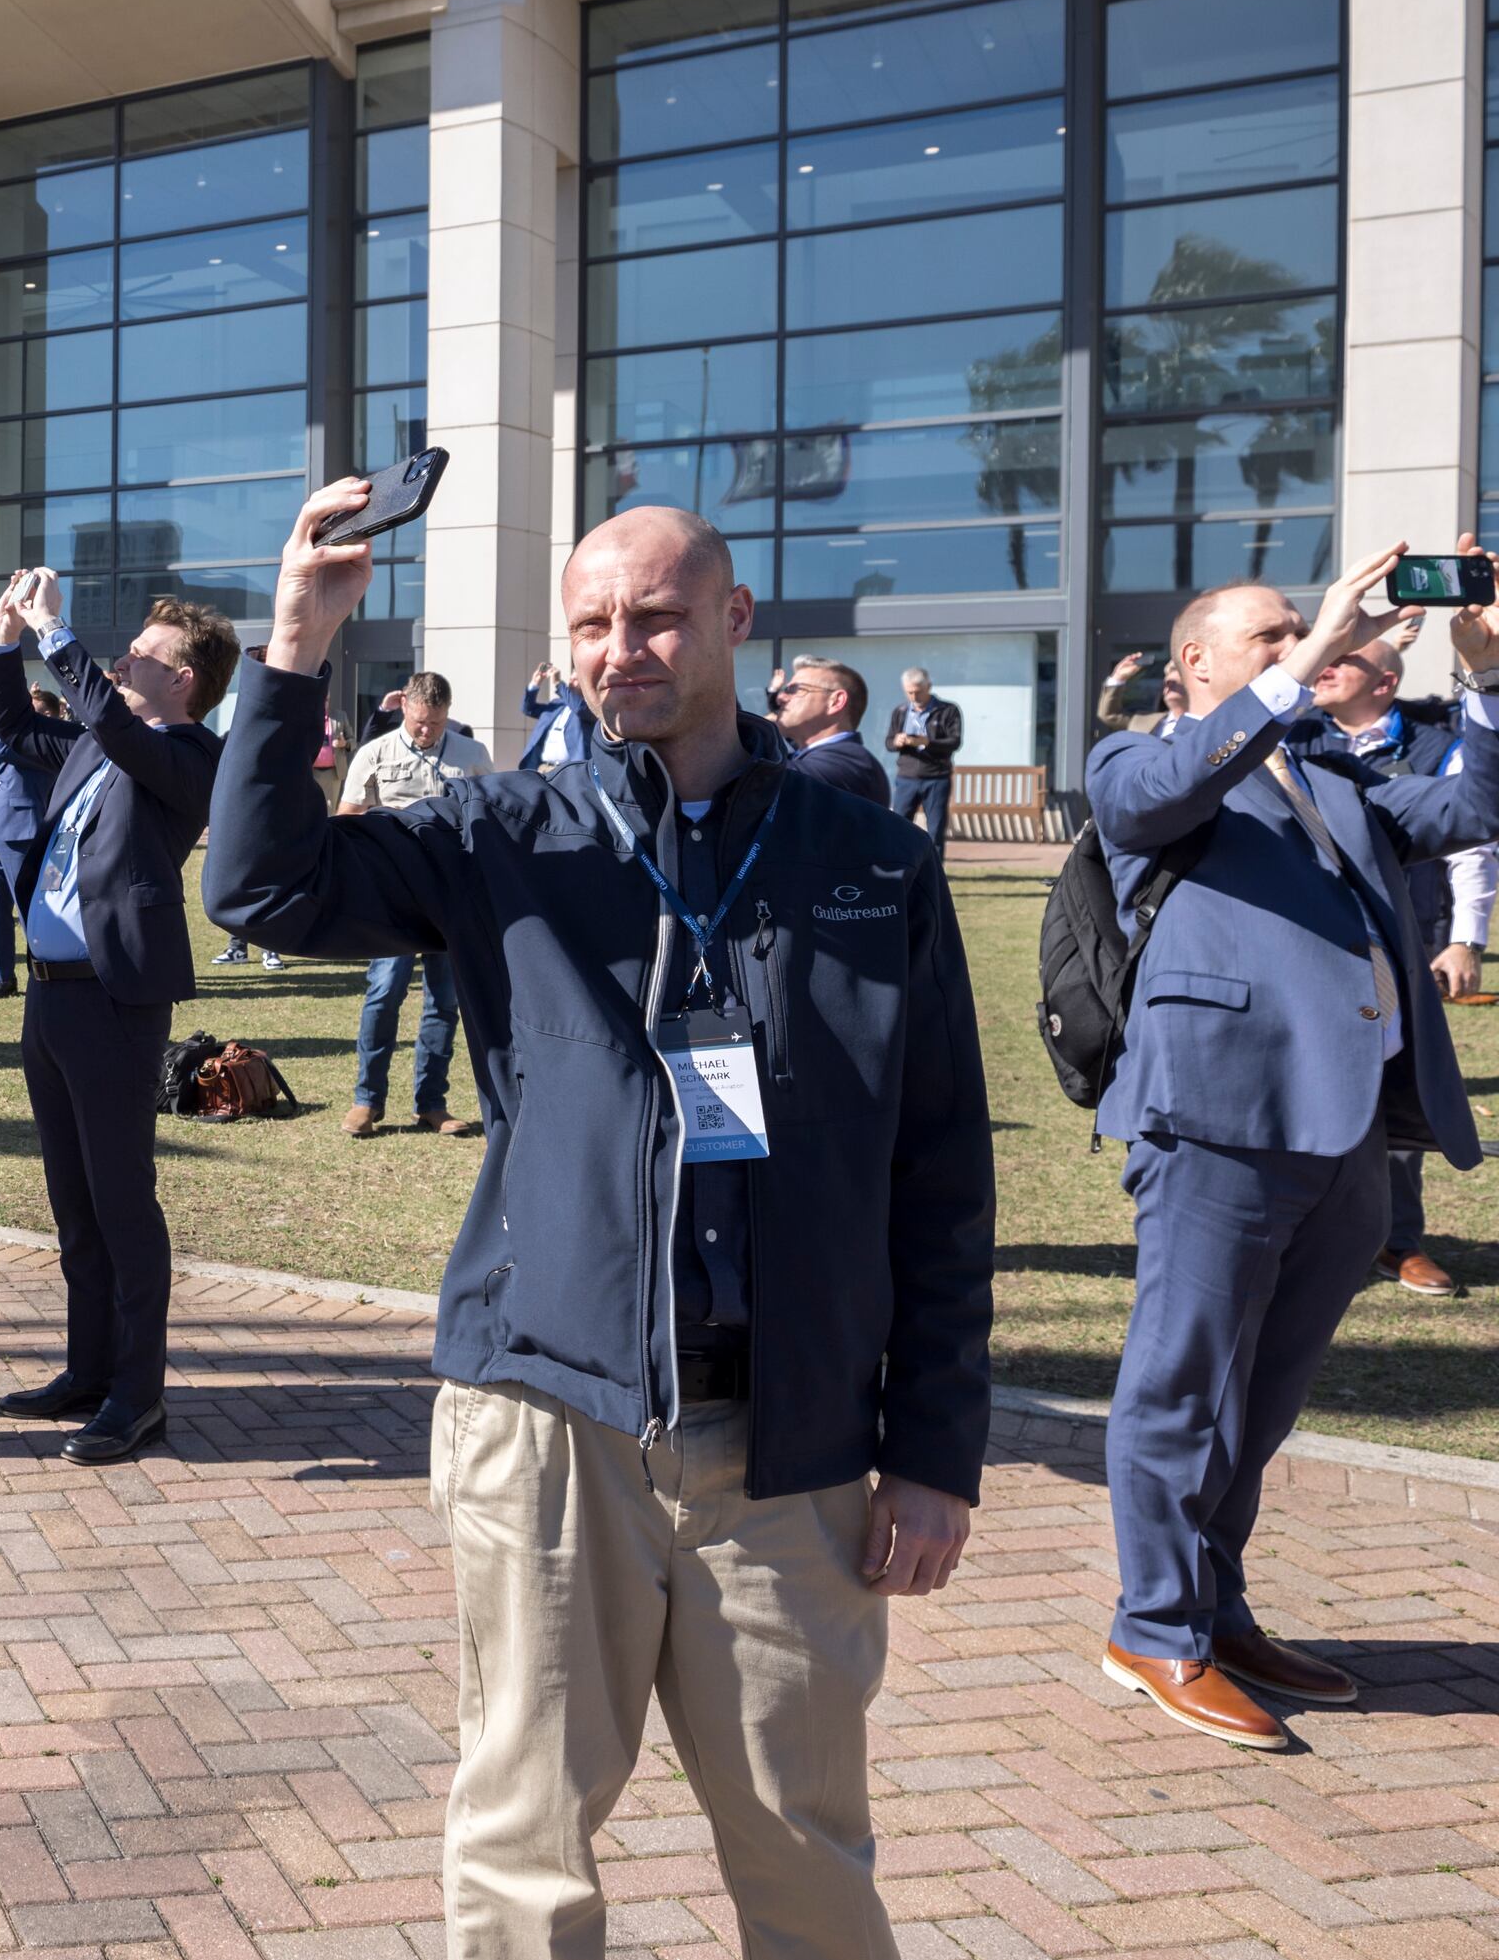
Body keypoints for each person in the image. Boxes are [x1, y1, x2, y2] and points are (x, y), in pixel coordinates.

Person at [208, 484, 987, 1960]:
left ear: (738, 623)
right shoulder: (507, 831)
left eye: (654, 615)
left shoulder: (871, 862)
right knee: (524, 1842)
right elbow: (262, 883)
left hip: (794, 1446)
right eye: (589, 623)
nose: (617, 646)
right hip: (551, 1420)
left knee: (805, 1844)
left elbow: (939, 1179)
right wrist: (297, 641)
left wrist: (934, 1447)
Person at [1087, 547, 1499, 1746]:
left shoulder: (1329, 769)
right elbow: (1155, 798)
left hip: (1345, 1119)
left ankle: (1215, 1601)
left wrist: (1481, 681)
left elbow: (1474, 808)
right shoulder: (1140, 756)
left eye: (1296, 633)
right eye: (1266, 634)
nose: (1299, 646)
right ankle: (1152, 1627)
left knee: (1263, 1389)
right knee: (1184, 1378)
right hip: (1217, 1114)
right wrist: (1313, 651)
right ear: (1193, 663)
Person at [0, 571, 230, 1463]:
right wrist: (6, 640)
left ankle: (138, 1394)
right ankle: (87, 1371)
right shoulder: (101, 739)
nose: (124, 661)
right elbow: (11, 730)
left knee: (123, 1201)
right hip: (50, 995)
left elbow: (116, 726)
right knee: (73, 1201)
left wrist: (59, 634)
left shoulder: (190, 753)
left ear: (185, 679)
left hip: (115, 999)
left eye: (143, 655)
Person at [1306, 636, 1474, 1304]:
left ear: (1384, 680)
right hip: (1313, 941)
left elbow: (1472, 839)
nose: (1325, 665)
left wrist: (1466, 938)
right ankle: (1315, 1233)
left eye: (1346, 659)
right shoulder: (1296, 732)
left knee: (1393, 1084)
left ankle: (1398, 1239)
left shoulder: (1433, 742)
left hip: (1398, 943)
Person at [336, 673, 491, 1140]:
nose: (428, 732)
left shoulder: (472, 755)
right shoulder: (375, 753)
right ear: (404, 706)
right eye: (422, 723)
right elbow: (347, 821)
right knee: (384, 993)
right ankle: (367, 1100)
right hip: (394, 899)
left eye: (437, 724)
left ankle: (432, 1103)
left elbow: (492, 817)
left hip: (451, 898)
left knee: (444, 1002)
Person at [0, 679, 78, 1000]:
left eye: (39, 710)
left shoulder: (52, 738)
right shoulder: (19, 738)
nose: (32, 715)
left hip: (24, 830)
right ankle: (4, 975)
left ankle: (42, 971)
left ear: (55, 713)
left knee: (28, 909)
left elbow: (5, 748)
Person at [775, 657, 889, 803]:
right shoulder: (806, 756)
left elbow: (762, 775)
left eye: (795, 689)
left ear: (836, 702)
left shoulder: (850, 764)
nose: (780, 697)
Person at [886, 666, 961, 844]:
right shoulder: (901, 711)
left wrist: (926, 743)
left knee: (935, 830)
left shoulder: (948, 710)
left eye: (917, 692)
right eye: (909, 692)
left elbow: (954, 742)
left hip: (936, 778)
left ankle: (934, 871)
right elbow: (889, 742)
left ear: (929, 687)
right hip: (906, 777)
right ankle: (900, 869)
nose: (913, 697)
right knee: (898, 826)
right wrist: (896, 742)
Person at [518, 660, 592, 771]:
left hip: (569, 771)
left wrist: (558, 683)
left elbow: (579, 708)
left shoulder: (589, 707)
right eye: (570, 678)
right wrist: (535, 683)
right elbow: (528, 709)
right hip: (543, 768)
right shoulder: (557, 704)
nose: (571, 681)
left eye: (576, 680)